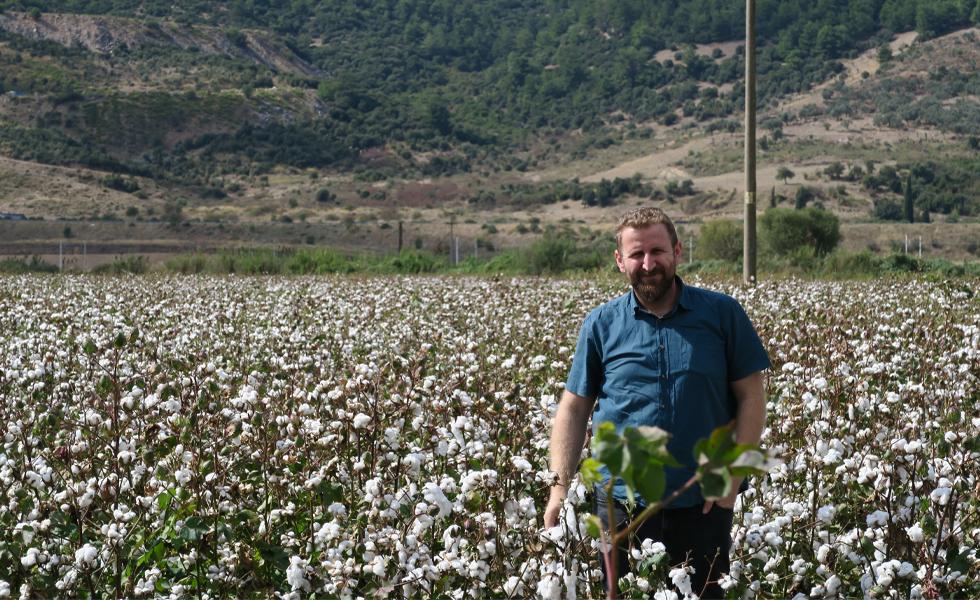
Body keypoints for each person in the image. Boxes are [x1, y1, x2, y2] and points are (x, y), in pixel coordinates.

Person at [543, 207, 770, 598]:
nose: (648, 264)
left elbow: (751, 396)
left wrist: (731, 477)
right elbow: (574, 408)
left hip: (702, 503)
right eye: (637, 254)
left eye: (657, 251)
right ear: (620, 261)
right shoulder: (601, 324)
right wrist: (558, 489)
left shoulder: (722, 314)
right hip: (619, 506)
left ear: (677, 252)